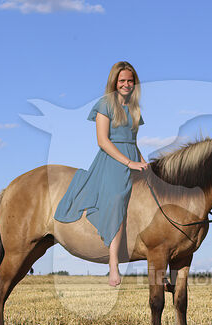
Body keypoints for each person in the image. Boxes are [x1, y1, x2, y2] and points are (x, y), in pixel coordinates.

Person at [54, 61, 149, 286]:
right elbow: (103, 141)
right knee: (117, 198)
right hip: (112, 160)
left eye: (130, 80)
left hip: (132, 157)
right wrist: (128, 162)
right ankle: (113, 264)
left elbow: (134, 143)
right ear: (114, 82)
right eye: (122, 81)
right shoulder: (105, 104)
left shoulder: (134, 108)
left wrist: (144, 164)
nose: (126, 84)